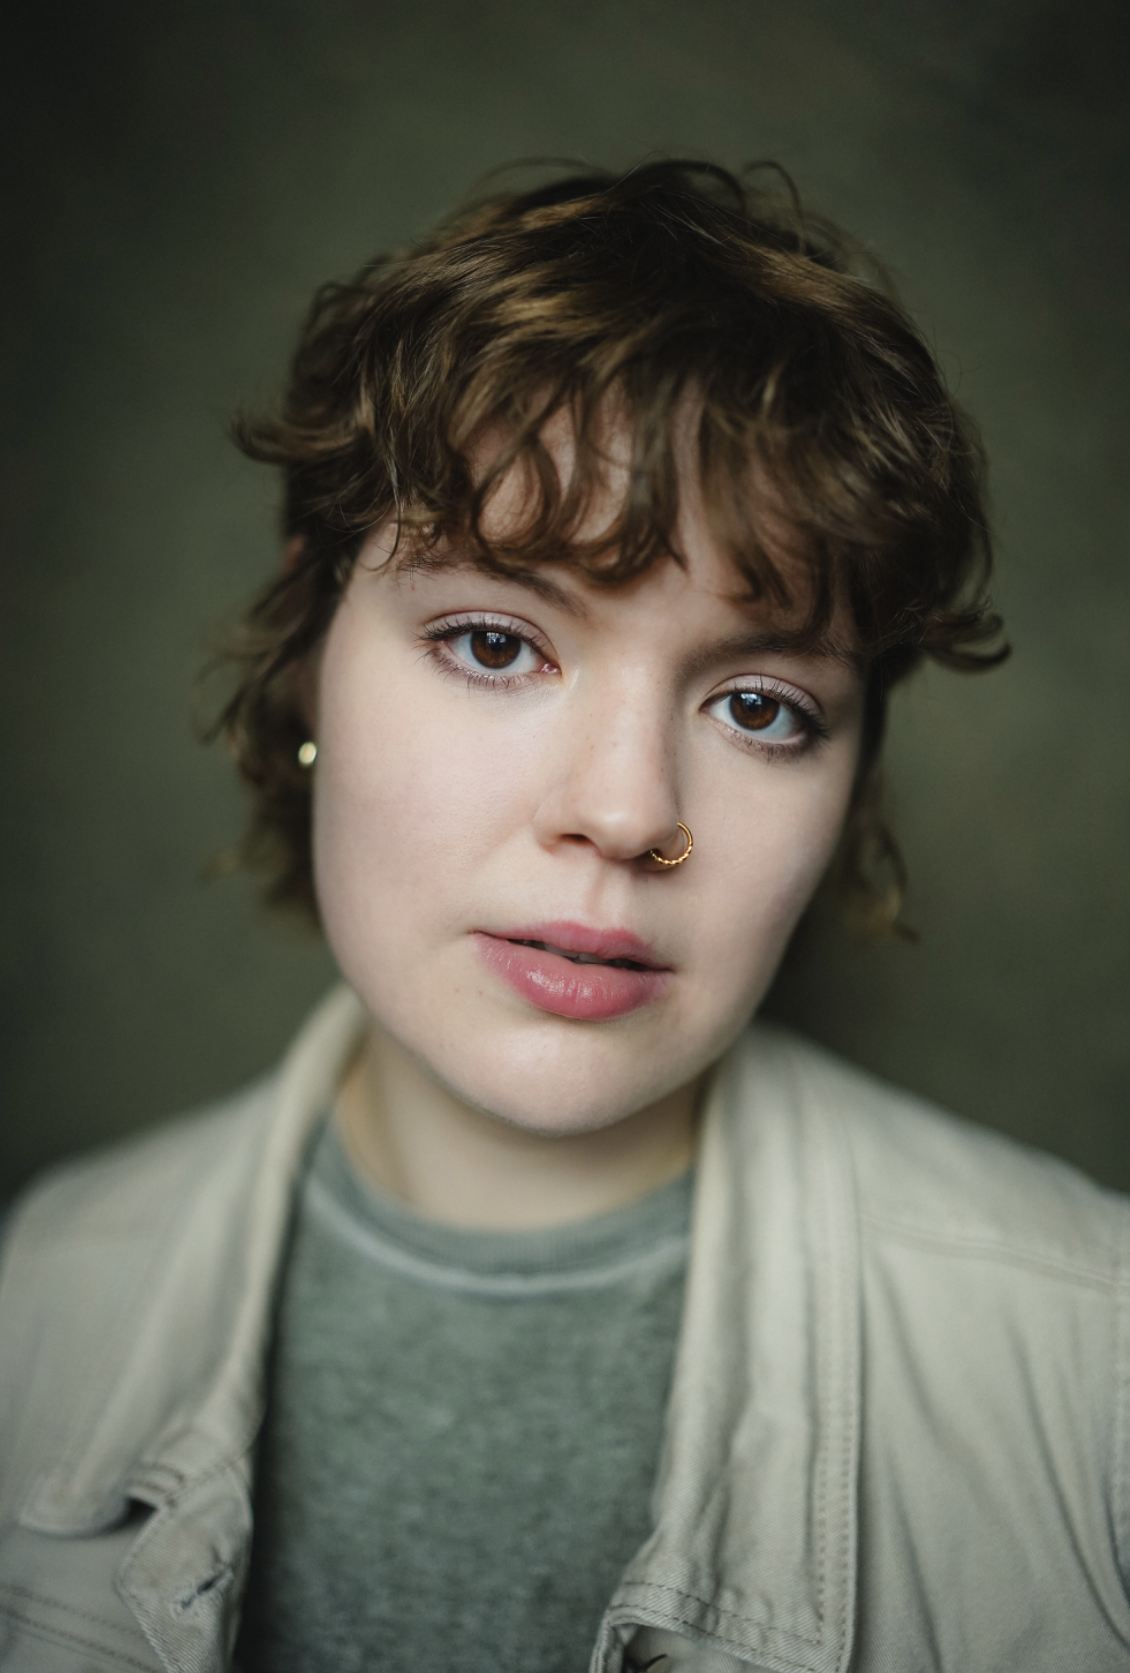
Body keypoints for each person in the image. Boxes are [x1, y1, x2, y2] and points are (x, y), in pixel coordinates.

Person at [1, 161, 1128, 1673]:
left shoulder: (1093, 1367)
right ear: (308, 654)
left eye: (758, 704)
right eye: (490, 640)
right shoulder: (34, 1298)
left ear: (852, 778)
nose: (621, 809)